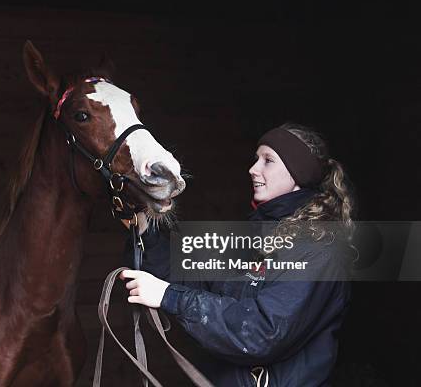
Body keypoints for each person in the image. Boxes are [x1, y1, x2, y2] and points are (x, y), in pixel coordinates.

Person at [120, 123, 355, 386]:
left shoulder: (318, 247)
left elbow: (262, 332)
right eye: (256, 159)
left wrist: (169, 297)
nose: (253, 169)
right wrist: (145, 232)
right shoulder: (252, 235)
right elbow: (191, 281)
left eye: (268, 161)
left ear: (297, 173)